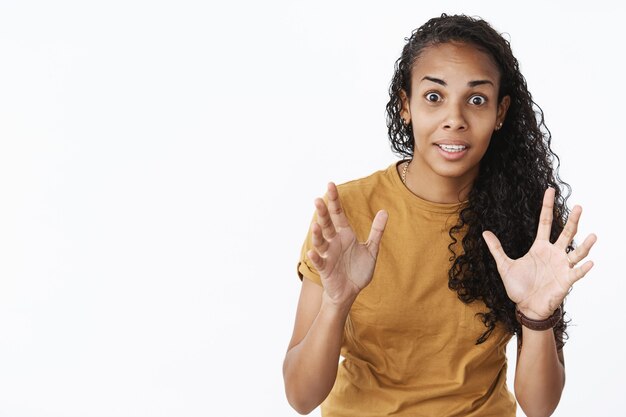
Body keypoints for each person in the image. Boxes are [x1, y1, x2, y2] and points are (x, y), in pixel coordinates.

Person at [282, 13, 597, 417]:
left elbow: (539, 407)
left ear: (500, 113)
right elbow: (300, 397)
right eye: (434, 97)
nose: (455, 119)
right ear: (405, 105)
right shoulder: (346, 215)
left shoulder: (524, 220)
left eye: (477, 99)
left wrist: (538, 317)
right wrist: (336, 302)